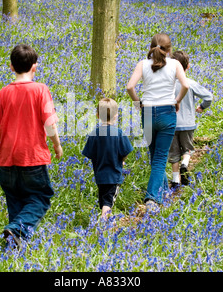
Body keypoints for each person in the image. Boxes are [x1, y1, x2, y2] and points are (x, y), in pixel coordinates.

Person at [0, 44, 63, 249]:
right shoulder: (41, 90)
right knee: (40, 197)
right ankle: (17, 231)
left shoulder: (3, 93)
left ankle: (13, 246)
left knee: (15, 201)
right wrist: (56, 145)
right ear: (35, 67)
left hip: (7, 159)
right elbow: (50, 123)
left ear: (11, 67)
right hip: (32, 157)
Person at [126, 33, 189, 213]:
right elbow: (186, 85)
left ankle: (162, 191)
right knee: (160, 157)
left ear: (151, 47)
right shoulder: (175, 64)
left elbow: (130, 87)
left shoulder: (142, 64)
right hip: (167, 113)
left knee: (155, 156)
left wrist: (138, 103)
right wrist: (177, 100)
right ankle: (152, 198)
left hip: (147, 112)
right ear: (169, 50)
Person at [82, 98, 134, 220]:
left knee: (104, 201)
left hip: (99, 175)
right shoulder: (119, 133)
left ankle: (105, 222)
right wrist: (122, 160)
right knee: (107, 203)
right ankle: (104, 224)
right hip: (114, 176)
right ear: (116, 116)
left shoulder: (94, 133)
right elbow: (126, 151)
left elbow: (89, 153)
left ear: (98, 115)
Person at [168, 50, 213, 188]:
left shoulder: (167, 84)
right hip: (188, 124)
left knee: (173, 153)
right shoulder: (189, 83)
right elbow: (209, 97)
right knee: (187, 149)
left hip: (171, 124)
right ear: (188, 67)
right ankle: (185, 164)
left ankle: (175, 180)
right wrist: (202, 107)